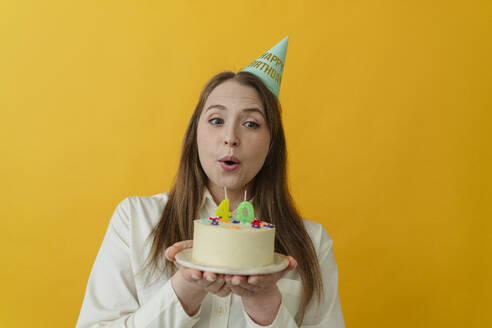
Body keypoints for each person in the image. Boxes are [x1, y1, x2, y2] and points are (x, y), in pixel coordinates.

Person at [76, 38, 345, 328]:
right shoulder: (135, 219)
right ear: (195, 136)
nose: (230, 137)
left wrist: (267, 310)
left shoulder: (312, 243)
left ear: (271, 145)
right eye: (216, 120)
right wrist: (184, 291)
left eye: (251, 123)